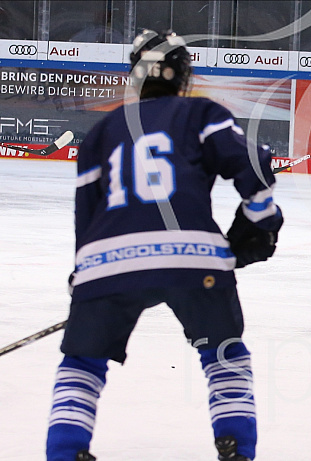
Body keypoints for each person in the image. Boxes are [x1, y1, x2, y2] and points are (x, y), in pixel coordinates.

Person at [45, 30, 283, 461]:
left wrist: (86, 278)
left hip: (105, 262)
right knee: (225, 355)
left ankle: (65, 452)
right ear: (183, 76)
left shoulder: (100, 132)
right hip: (194, 259)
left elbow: (87, 216)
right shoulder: (200, 113)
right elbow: (253, 163)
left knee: (81, 363)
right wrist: (261, 222)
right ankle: (236, 448)